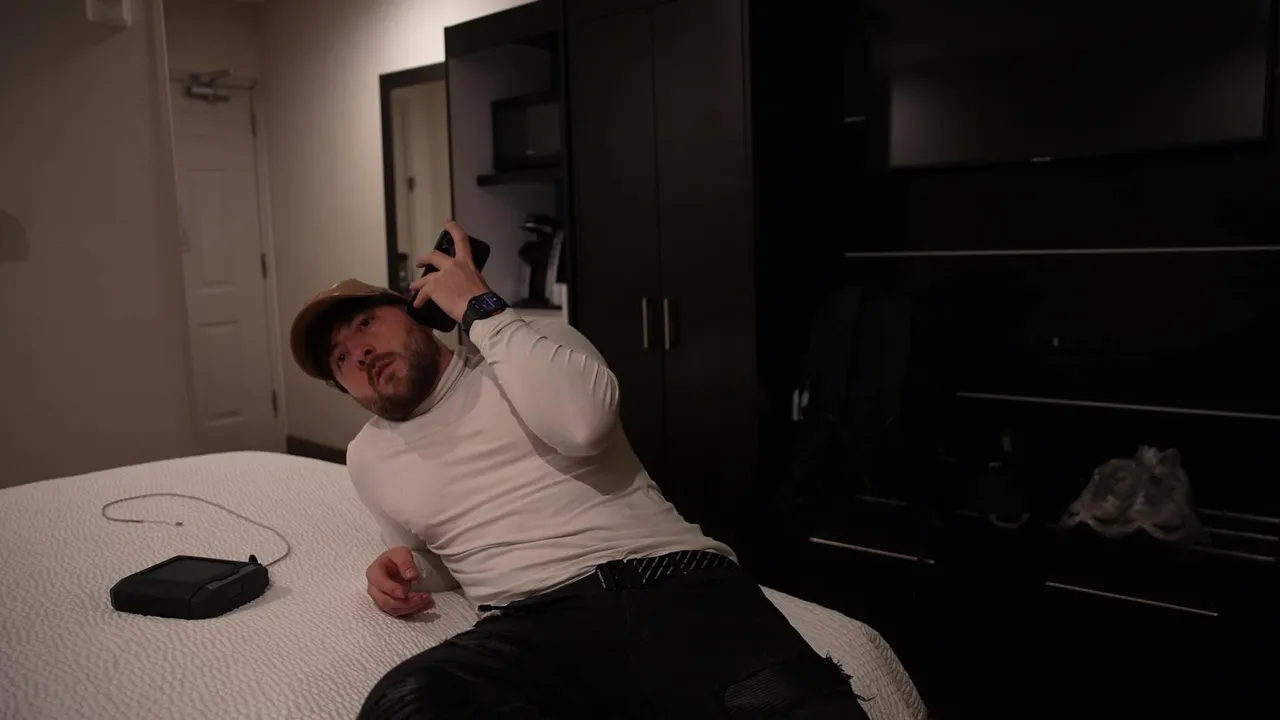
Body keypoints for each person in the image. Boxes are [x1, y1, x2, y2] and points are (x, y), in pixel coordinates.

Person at [289, 221, 869, 719]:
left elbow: (582, 426)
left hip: (678, 584)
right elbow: (436, 559)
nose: (359, 353)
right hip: (532, 626)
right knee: (408, 703)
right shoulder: (368, 457)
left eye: (365, 324)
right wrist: (405, 570)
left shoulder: (532, 344)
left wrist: (480, 308)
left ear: (418, 309)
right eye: (340, 358)